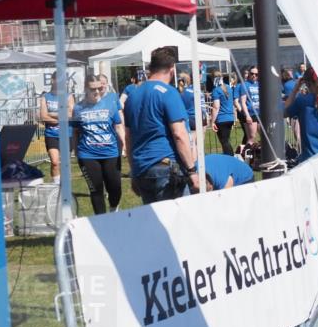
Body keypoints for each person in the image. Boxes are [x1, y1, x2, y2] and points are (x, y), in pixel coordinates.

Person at [122, 47, 200, 203]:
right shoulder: (169, 93)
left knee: (154, 222)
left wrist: (134, 172)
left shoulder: (132, 95)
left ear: (151, 68)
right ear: (172, 70)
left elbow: (128, 138)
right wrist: (192, 171)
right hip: (166, 167)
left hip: (142, 168)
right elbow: (179, 134)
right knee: (176, 222)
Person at [73, 76, 124, 214]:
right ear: (85, 89)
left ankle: (114, 209)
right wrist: (76, 152)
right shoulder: (78, 108)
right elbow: (76, 131)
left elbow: (118, 127)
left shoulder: (110, 104)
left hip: (111, 153)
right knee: (96, 189)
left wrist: (124, 146)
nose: (96, 92)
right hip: (88, 154)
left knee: (115, 187)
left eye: (99, 88)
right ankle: (100, 220)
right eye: (92, 89)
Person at [39, 72, 74, 182]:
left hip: (66, 134)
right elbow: (43, 117)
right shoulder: (45, 97)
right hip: (51, 134)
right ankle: (56, 187)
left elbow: (70, 115)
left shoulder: (69, 96)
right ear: (53, 80)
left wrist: (51, 113)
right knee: (54, 162)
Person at [284, 68, 318, 162]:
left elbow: (284, 112)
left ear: (306, 83)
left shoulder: (302, 100)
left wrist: (295, 89)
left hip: (310, 158)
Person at [209, 73, 236, 156]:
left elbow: (216, 107)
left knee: (224, 141)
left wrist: (212, 122)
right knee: (226, 140)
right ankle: (229, 157)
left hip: (221, 119)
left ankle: (231, 159)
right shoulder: (229, 88)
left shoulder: (216, 90)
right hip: (230, 118)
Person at [240, 66, 261, 145]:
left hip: (260, 113)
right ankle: (247, 155)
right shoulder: (245, 85)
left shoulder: (259, 84)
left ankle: (258, 153)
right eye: (252, 74)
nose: (254, 76)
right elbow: (243, 102)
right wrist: (247, 115)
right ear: (249, 74)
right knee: (252, 137)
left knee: (265, 136)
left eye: (256, 74)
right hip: (251, 113)